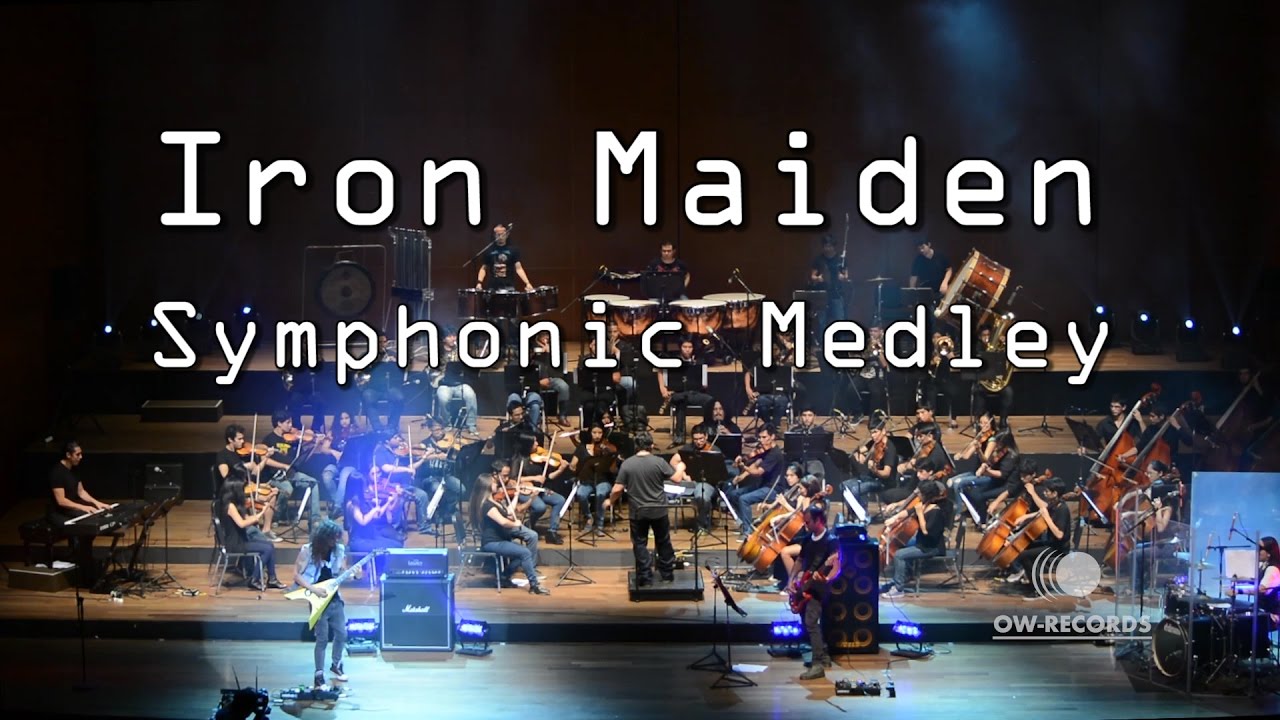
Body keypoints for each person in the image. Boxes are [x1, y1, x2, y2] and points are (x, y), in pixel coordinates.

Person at [605, 432, 686, 586]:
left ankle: (645, 578)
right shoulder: (659, 462)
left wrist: (610, 500)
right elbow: (676, 479)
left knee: (640, 544)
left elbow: (617, 489)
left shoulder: (628, 464)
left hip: (638, 512)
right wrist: (681, 467)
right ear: (651, 445)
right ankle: (667, 575)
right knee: (663, 542)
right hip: (659, 510)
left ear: (636, 446)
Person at [293, 519, 357, 687]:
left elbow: (341, 572)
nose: (335, 541)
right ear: (323, 537)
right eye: (332, 538)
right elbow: (297, 576)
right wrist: (313, 590)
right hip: (318, 600)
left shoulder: (339, 550)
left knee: (342, 634)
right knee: (322, 639)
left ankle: (336, 665)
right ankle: (319, 674)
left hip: (335, 598)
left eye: (336, 538)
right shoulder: (307, 551)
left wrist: (350, 575)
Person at [469, 463, 550, 595]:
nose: (496, 483)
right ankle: (534, 585)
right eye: (493, 482)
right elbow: (503, 522)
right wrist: (515, 524)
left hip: (500, 539)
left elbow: (508, 512)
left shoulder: (493, 501)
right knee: (525, 553)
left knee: (522, 555)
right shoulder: (487, 506)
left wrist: (517, 496)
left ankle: (504, 577)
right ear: (487, 486)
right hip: (493, 542)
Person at [788, 505, 841, 681]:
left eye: (808, 522)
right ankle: (823, 655)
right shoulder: (807, 539)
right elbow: (800, 560)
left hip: (819, 589)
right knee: (806, 622)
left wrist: (827, 578)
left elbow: (836, 566)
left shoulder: (830, 541)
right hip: (805, 585)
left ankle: (817, 665)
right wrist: (791, 580)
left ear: (818, 520)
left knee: (811, 623)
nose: (805, 525)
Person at [880, 479, 953, 598]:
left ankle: (898, 589)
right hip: (922, 543)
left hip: (931, 548)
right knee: (903, 546)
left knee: (899, 555)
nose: (918, 495)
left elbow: (926, 532)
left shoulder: (936, 512)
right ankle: (901, 578)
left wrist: (920, 514)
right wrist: (894, 518)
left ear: (926, 495)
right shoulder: (923, 506)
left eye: (920, 493)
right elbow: (907, 512)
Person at [1002, 478, 1072, 587]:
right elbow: (1042, 511)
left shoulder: (1062, 509)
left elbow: (1059, 535)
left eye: (1047, 491)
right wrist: (1025, 517)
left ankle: (1037, 587)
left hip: (1057, 548)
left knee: (1024, 555)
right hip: (1050, 543)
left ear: (1055, 493)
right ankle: (1029, 579)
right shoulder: (1054, 504)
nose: (1044, 493)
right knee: (1023, 546)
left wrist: (1047, 518)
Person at [216, 480, 283, 591]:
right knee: (267, 549)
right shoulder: (230, 506)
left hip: (240, 540)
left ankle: (272, 579)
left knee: (269, 545)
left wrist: (261, 511)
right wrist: (261, 513)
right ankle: (254, 579)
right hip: (235, 544)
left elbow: (247, 518)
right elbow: (242, 524)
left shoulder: (235, 505)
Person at [216, 424, 280, 540]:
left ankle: (266, 530)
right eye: (239, 439)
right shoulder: (222, 455)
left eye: (243, 438)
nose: (243, 441)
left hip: (247, 486)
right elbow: (226, 476)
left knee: (272, 492)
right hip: (234, 491)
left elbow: (256, 471)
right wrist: (244, 466)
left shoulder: (241, 453)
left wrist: (266, 457)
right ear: (230, 439)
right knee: (267, 496)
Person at [261, 410, 323, 527]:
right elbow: (265, 460)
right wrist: (283, 466)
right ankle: (276, 516)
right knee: (287, 488)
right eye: (288, 423)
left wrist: (314, 446)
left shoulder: (292, 440)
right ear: (279, 423)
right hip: (276, 476)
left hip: (291, 474)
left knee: (313, 483)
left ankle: (315, 518)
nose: (291, 426)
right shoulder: (269, 439)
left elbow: (302, 459)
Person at [725, 425, 786, 536]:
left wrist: (743, 466)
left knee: (744, 499)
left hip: (773, 489)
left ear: (772, 437)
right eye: (760, 437)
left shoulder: (775, 454)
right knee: (733, 494)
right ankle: (744, 523)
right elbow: (756, 462)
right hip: (762, 485)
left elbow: (758, 472)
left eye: (764, 437)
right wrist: (742, 468)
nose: (761, 440)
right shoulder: (765, 450)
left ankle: (748, 532)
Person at [417, 420, 468, 545]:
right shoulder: (424, 444)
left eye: (441, 429)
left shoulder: (449, 442)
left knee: (461, 489)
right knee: (436, 489)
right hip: (430, 477)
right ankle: (438, 515)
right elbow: (419, 458)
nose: (440, 432)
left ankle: (447, 511)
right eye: (436, 430)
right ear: (430, 430)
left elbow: (457, 456)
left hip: (446, 476)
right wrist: (435, 456)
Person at [372, 432, 432, 534]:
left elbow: (410, 467)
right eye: (395, 437)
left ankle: (424, 527)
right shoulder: (380, 451)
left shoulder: (397, 452)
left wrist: (424, 457)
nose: (399, 439)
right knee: (399, 499)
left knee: (422, 495)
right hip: (388, 486)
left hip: (403, 485)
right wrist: (406, 470)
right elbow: (386, 468)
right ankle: (396, 530)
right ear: (387, 440)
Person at [658, 337, 714, 445]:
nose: (687, 350)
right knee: (680, 401)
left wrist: (702, 380)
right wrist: (662, 388)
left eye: (690, 347)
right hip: (678, 393)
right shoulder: (674, 360)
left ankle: (708, 429)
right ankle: (679, 435)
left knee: (710, 400)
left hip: (693, 393)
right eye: (685, 347)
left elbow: (704, 384)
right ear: (680, 348)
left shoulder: (698, 360)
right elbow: (660, 369)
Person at [669, 425, 721, 535]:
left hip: (707, 483)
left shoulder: (714, 450)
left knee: (702, 496)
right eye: (695, 439)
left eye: (701, 439)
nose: (698, 442)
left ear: (706, 436)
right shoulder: (688, 449)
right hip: (690, 483)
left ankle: (702, 524)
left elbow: (719, 473)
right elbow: (673, 461)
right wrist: (684, 475)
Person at [571, 424, 619, 537]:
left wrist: (612, 458)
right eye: (594, 433)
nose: (597, 435)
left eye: (600, 433)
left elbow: (613, 470)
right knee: (581, 494)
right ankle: (589, 518)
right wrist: (573, 466)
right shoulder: (582, 448)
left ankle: (600, 524)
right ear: (590, 433)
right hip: (587, 480)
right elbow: (573, 464)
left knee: (601, 493)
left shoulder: (607, 448)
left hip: (603, 480)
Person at [841, 417, 898, 509]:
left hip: (882, 482)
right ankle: (858, 510)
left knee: (855, 490)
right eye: (871, 432)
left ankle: (861, 511)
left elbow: (886, 473)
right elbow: (857, 451)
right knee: (843, 486)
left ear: (883, 431)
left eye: (875, 432)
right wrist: (859, 454)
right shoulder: (874, 443)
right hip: (871, 478)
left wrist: (875, 470)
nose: (872, 435)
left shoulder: (889, 449)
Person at [48, 441, 110, 524]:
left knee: (94, 515)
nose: (81, 457)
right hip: (57, 512)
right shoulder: (57, 472)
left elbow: (81, 492)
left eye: (81, 454)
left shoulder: (74, 469)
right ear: (68, 455)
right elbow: (61, 501)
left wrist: (97, 503)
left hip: (70, 509)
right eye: (77, 454)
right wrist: (83, 507)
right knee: (86, 522)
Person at [345, 471, 407, 553]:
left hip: (369, 536)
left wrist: (388, 502)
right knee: (396, 547)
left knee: (398, 544)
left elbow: (376, 516)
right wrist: (373, 510)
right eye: (362, 485)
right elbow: (363, 521)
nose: (365, 488)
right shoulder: (352, 504)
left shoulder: (360, 500)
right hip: (359, 541)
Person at [433, 327, 480, 434]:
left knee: (470, 395)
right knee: (443, 398)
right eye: (450, 336)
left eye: (454, 336)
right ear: (443, 339)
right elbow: (431, 371)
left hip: (460, 383)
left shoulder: (461, 351)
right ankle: (447, 424)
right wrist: (441, 375)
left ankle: (471, 425)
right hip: (444, 384)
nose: (453, 338)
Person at [357, 332, 406, 433]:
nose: (382, 344)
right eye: (379, 342)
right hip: (373, 388)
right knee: (367, 397)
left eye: (384, 342)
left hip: (390, 388)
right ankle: (377, 428)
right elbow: (360, 373)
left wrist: (395, 364)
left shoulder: (393, 355)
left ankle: (392, 426)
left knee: (400, 398)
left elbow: (401, 374)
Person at [744, 340, 791, 428]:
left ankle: (774, 424)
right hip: (764, 393)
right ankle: (768, 424)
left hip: (780, 394)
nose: (774, 352)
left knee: (782, 403)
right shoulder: (761, 361)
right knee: (762, 403)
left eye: (776, 349)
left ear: (779, 350)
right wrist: (748, 388)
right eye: (772, 350)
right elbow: (748, 373)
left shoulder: (785, 361)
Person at [476, 223, 534, 291]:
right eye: (498, 234)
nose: (500, 237)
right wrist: (479, 283)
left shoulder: (513, 250)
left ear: (507, 234)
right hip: (493, 287)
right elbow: (483, 268)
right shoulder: (489, 250)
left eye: (502, 234)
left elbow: (519, 268)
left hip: (509, 286)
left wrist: (527, 283)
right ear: (494, 235)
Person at [810, 235, 849, 331]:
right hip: (822, 294)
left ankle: (839, 340)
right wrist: (818, 278)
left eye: (829, 246)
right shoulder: (818, 259)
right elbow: (812, 276)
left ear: (833, 246)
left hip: (836, 293)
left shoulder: (840, 259)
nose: (827, 248)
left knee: (839, 321)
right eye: (825, 246)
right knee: (821, 323)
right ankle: (822, 340)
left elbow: (846, 276)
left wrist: (842, 277)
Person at [284, 365, 327, 434]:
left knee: (320, 403)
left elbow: (321, 373)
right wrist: (291, 387)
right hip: (298, 391)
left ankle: (316, 428)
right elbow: (287, 375)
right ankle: (297, 427)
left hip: (312, 392)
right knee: (293, 402)